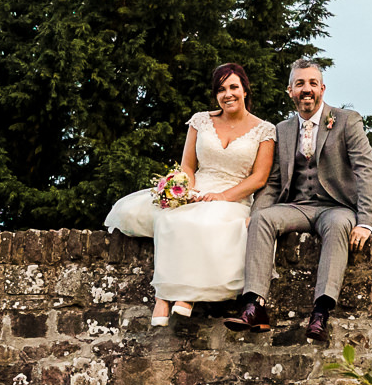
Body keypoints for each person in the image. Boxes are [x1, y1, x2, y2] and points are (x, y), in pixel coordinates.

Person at [104, 64, 276, 324]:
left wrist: (223, 196)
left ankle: (185, 295)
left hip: (234, 196)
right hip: (197, 189)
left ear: (244, 89)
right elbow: (188, 165)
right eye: (220, 89)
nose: (227, 94)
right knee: (170, 218)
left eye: (233, 87)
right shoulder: (201, 120)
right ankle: (163, 297)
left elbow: (259, 177)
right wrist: (187, 190)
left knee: (204, 222)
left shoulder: (265, 130)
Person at [226, 59, 372, 345]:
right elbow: (273, 182)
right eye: (299, 84)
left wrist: (366, 222)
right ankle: (254, 305)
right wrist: (256, 212)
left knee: (337, 226)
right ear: (290, 91)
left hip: (336, 207)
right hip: (296, 206)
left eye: (312, 83)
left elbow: (366, 171)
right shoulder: (282, 130)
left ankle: (320, 313)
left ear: (322, 88)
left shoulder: (347, 121)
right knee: (262, 218)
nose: (306, 89)